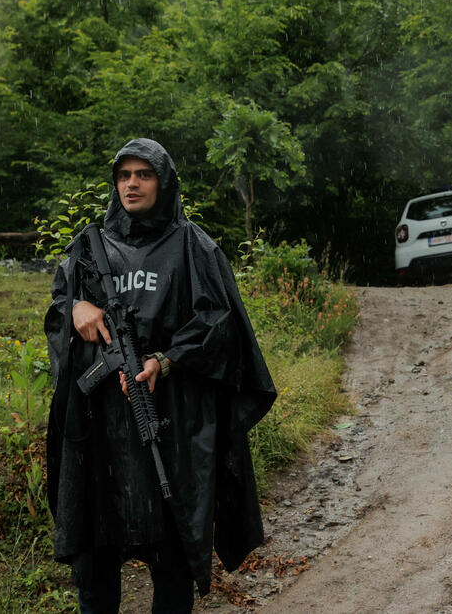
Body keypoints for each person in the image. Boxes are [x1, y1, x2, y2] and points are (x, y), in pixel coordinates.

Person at [44, 138, 277, 612]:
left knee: (172, 556)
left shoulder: (193, 247)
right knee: (96, 555)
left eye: (143, 174)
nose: (132, 183)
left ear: (163, 182)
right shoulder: (89, 247)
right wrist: (76, 309)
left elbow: (219, 323)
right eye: (124, 175)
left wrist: (165, 360)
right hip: (99, 431)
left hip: (169, 425)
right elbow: (57, 305)